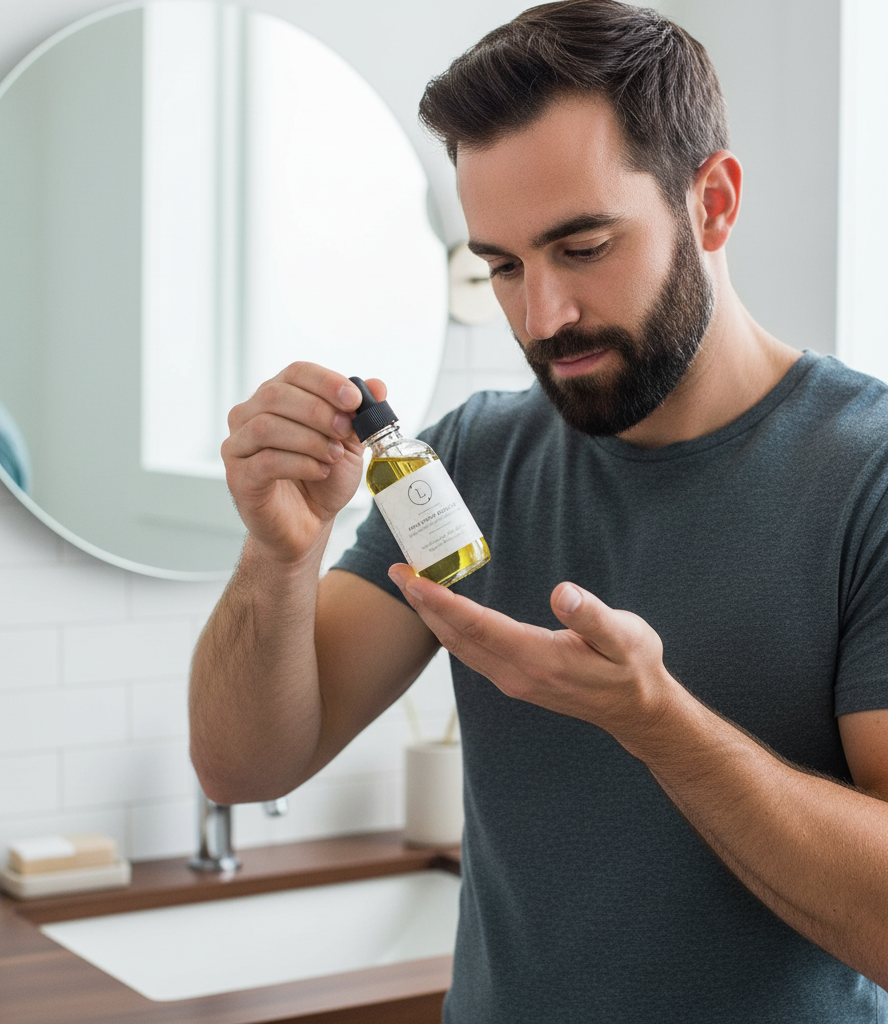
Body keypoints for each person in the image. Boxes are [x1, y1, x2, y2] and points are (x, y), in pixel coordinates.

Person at [189, 1, 888, 1019]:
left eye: (584, 246)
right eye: (502, 265)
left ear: (714, 202)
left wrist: (657, 724)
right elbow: (241, 764)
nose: (539, 316)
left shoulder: (866, 475)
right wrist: (278, 556)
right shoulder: (470, 458)